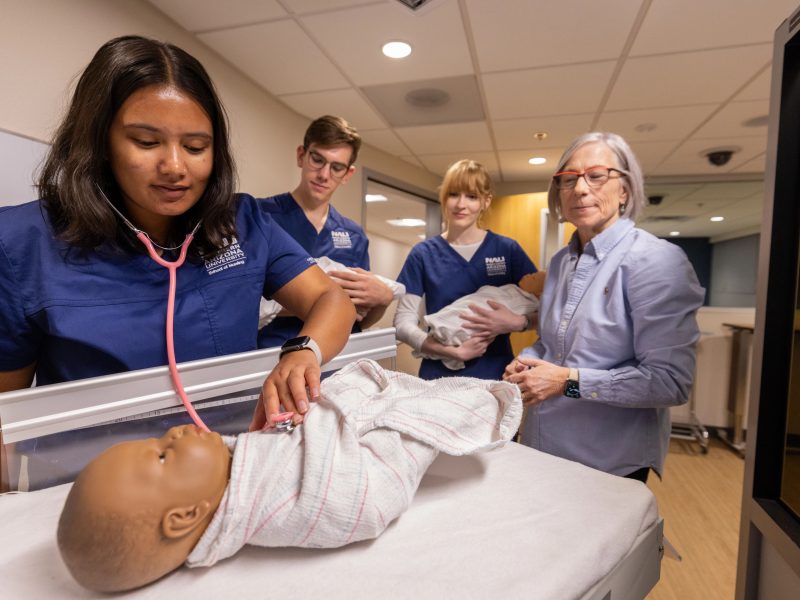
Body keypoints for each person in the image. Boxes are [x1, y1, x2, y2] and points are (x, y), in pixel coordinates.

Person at [0, 36, 355, 431]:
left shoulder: (242, 224)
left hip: (228, 463)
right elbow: (5, 411)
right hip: (91, 482)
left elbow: (331, 298)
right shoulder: (23, 244)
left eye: (195, 146)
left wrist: (304, 352)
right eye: (147, 142)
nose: (174, 166)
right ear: (99, 141)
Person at [56, 359, 521, 592]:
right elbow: (363, 500)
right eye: (161, 456)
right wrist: (330, 421)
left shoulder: (235, 470)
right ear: (185, 517)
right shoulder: (277, 504)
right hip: (366, 446)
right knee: (451, 405)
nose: (172, 433)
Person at [503, 132, 705, 483]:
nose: (580, 189)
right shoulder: (562, 262)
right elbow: (554, 344)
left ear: (625, 189)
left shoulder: (655, 261)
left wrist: (566, 382)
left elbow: (670, 381)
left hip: (606, 464)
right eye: (568, 179)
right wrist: (527, 361)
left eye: (596, 176)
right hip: (542, 448)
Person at [394, 159, 539, 381]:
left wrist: (518, 322)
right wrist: (451, 352)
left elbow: (547, 313)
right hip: (438, 378)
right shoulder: (423, 254)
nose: (461, 204)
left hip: (495, 374)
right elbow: (402, 323)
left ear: (485, 201)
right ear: (443, 197)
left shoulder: (507, 250)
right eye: (453, 194)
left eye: (471, 197)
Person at [257, 115, 395, 348]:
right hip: (273, 357)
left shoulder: (353, 235)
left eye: (336, 167)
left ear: (347, 174)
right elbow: (241, 303)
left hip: (335, 362)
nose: (324, 175)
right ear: (301, 155)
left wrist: (382, 301)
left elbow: (359, 317)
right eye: (317, 160)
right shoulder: (259, 217)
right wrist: (324, 299)